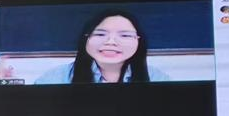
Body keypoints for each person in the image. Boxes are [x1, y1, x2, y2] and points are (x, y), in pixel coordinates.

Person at [34, 10, 170, 84]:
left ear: (138, 41)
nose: (111, 42)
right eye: (100, 34)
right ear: (86, 39)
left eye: (124, 35)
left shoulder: (156, 77)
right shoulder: (56, 78)